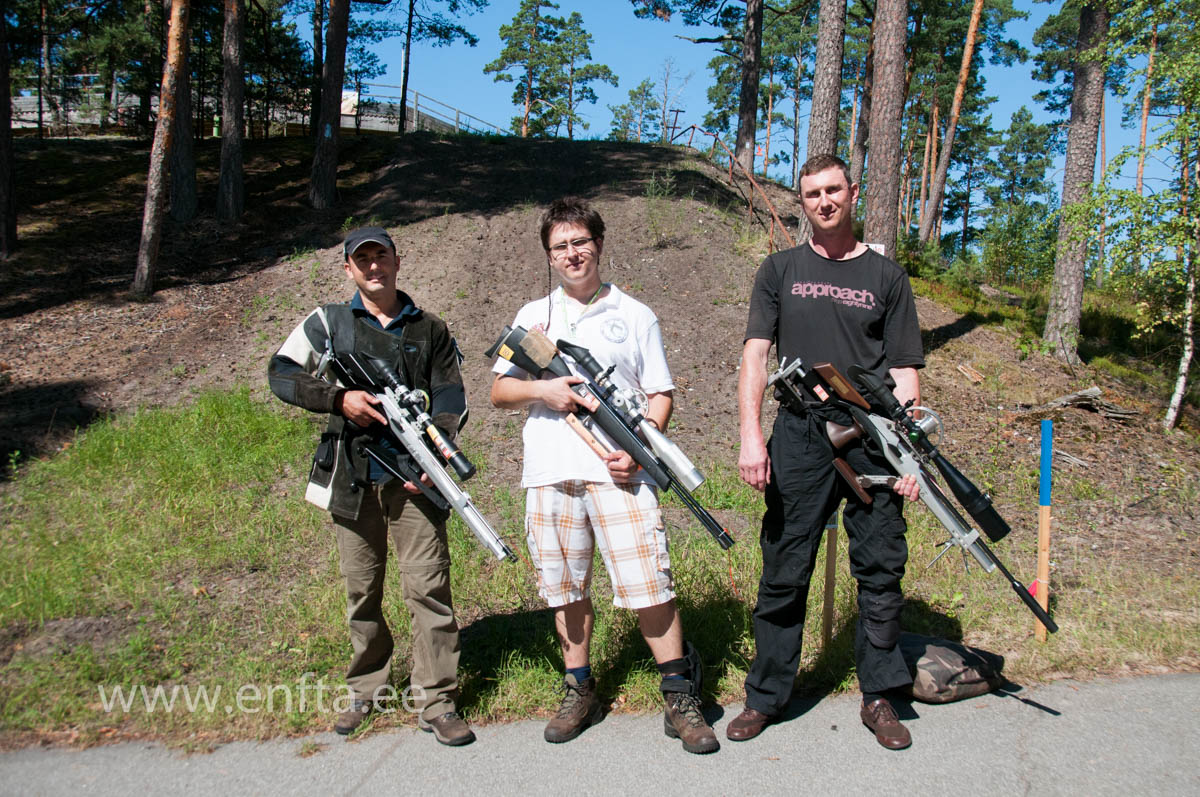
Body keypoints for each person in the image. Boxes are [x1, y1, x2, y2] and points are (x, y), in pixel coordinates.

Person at [489, 197, 719, 755]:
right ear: (549, 255)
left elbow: (660, 394)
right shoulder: (532, 317)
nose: (572, 254)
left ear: (599, 243)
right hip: (551, 471)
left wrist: (639, 452)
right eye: (560, 247)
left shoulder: (636, 314)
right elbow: (499, 391)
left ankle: (678, 694)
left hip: (621, 473)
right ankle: (579, 688)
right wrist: (545, 389)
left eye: (580, 242)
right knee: (565, 586)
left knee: (648, 583)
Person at [729, 154, 924, 750]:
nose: (823, 201)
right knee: (785, 566)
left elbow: (907, 372)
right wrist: (750, 436)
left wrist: (907, 453)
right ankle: (766, 696)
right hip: (799, 435)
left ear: (854, 192)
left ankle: (880, 695)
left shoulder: (887, 279)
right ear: (802, 201)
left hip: (875, 436)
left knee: (881, 569)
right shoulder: (780, 269)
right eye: (812, 193)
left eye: (833, 190)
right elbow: (755, 358)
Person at [267, 226, 475, 746]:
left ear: (397, 261)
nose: (373, 267)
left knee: (428, 589)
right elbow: (281, 372)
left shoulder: (430, 328)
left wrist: (440, 449)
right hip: (352, 478)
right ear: (348, 269)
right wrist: (339, 401)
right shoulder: (328, 323)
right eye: (363, 260)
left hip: (415, 478)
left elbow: (451, 395)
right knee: (362, 590)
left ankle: (438, 699)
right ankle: (367, 689)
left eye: (381, 256)